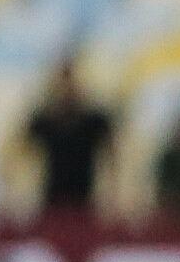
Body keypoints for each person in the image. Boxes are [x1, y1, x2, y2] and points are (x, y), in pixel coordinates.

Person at [24, 58, 115, 219]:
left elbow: (111, 150)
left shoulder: (92, 120)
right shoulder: (47, 118)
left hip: (84, 198)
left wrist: (112, 193)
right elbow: (23, 147)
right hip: (53, 197)